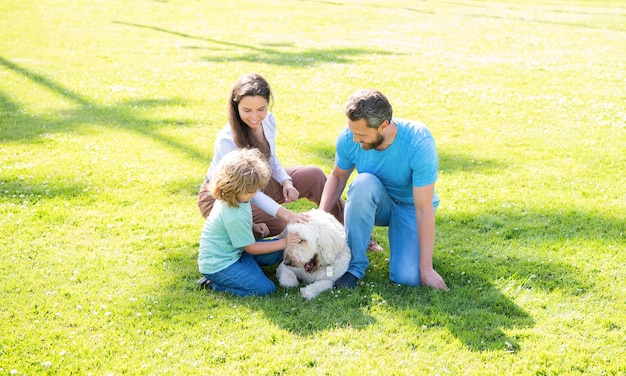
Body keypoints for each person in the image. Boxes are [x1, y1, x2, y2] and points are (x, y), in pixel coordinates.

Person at [319, 89, 448, 291]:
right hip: (376, 200)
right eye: (353, 132)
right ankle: (354, 266)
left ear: (384, 126)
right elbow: (337, 176)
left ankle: (408, 251)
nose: (354, 139)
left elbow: (423, 209)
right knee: (363, 183)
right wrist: (320, 218)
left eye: (361, 135)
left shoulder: (418, 141)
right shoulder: (349, 138)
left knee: (407, 278)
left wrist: (426, 268)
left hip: (411, 207)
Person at [198, 73, 345, 238]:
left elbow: (271, 159)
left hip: (260, 182)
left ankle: (347, 229)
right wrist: (287, 215)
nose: (255, 117)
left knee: (314, 175)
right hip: (229, 196)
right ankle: (239, 238)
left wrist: (286, 182)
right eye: (247, 110)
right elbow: (247, 190)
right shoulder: (227, 140)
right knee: (279, 223)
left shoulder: (267, 120)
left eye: (261, 109)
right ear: (236, 107)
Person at [197, 147, 302, 296]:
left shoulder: (233, 197)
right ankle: (215, 283)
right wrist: (284, 242)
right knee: (265, 289)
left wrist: (253, 226)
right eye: (251, 191)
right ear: (236, 187)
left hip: (236, 252)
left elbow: (233, 226)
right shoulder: (233, 213)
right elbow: (251, 248)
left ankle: (246, 270)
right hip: (220, 265)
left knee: (278, 253)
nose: (255, 193)